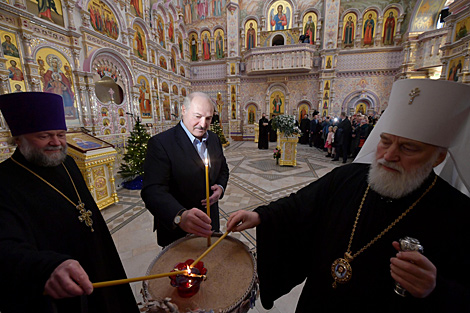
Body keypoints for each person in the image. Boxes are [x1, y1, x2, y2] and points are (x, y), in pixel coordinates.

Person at [227, 79, 470, 313]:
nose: (389, 155)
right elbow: (300, 204)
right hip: (318, 301)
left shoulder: (458, 214)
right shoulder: (347, 177)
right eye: (385, 142)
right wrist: (261, 215)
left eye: (408, 148)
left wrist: (436, 289)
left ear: (438, 157)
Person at [0, 92, 139, 313]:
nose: (56, 142)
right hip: (60, 284)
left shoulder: (69, 163)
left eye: (61, 134)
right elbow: (5, 246)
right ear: (19, 139)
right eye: (44, 136)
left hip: (98, 258)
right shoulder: (4, 181)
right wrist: (44, 267)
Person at [141, 92, 229, 247]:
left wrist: (220, 188)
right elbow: (153, 190)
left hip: (210, 222)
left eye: (208, 118)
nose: (203, 124)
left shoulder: (214, 139)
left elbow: (223, 169)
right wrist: (179, 216)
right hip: (177, 231)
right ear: (183, 110)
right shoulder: (161, 143)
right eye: (197, 116)